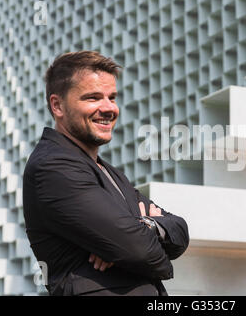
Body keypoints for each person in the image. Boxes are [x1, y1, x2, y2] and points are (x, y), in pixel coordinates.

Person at [23, 51, 189, 296]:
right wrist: (132, 242)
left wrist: (145, 227)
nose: (109, 108)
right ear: (57, 105)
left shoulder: (112, 174)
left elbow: (180, 230)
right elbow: (137, 249)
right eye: (93, 98)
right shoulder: (53, 166)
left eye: (112, 97)